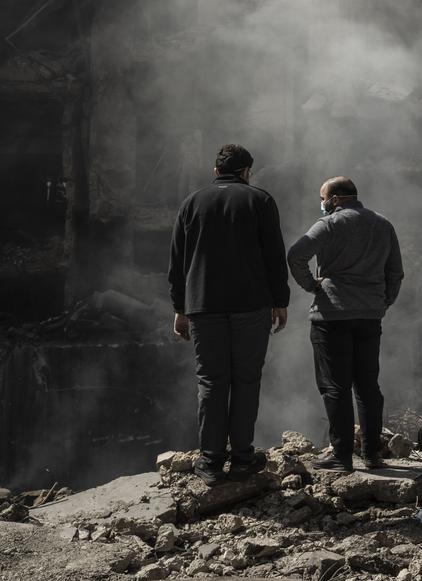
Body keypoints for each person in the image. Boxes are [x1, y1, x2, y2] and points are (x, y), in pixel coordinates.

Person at [168, 143, 290, 486]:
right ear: (246, 171)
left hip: (203, 307)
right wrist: (280, 300)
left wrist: (180, 309)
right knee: (246, 380)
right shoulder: (260, 200)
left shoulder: (191, 203)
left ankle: (209, 462)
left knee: (211, 382)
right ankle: (241, 459)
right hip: (251, 307)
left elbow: (177, 263)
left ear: (215, 171)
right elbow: (274, 256)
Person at [287, 176, 404, 472]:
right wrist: (384, 301)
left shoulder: (328, 224)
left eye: (323, 197)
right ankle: (372, 454)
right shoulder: (383, 224)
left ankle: (341, 456)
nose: (322, 203)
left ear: (336, 199)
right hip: (369, 316)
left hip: (332, 316)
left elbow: (296, 254)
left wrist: (312, 286)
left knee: (334, 386)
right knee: (367, 385)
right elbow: (395, 272)